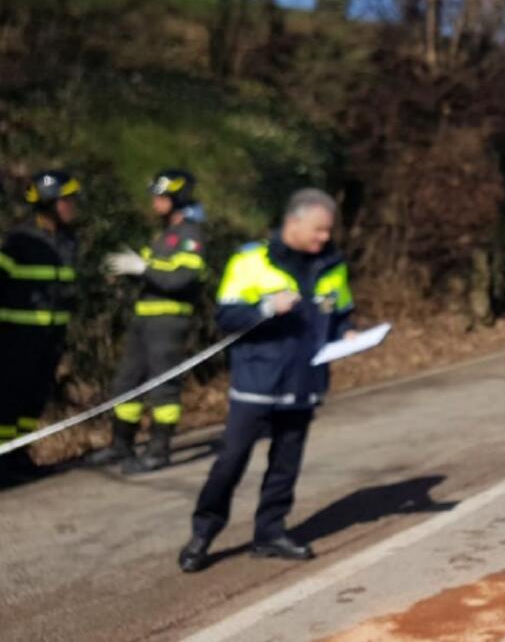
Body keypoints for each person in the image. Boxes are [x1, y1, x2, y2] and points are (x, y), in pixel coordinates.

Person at [179, 188, 355, 573]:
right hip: (258, 378)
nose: (324, 238)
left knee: (286, 463)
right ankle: (203, 533)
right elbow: (225, 317)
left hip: (305, 378)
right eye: (318, 230)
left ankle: (270, 532)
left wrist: (348, 334)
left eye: (328, 231)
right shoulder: (250, 260)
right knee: (231, 460)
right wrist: (266, 307)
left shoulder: (333, 264)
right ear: (293, 223)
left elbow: (340, 313)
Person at [90, 170, 207, 473]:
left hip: (168, 322)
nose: (154, 202)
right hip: (144, 320)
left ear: (177, 198)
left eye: (161, 196)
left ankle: (159, 449)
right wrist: (124, 273)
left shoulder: (189, 235)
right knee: (126, 382)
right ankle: (121, 444)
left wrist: (143, 267)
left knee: (163, 387)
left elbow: (181, 278)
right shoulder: (163, 233)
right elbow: (154, 272)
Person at [0, 171, 81, 470]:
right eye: (66, 200)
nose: (72, 205)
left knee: (35, 396)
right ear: (48, 202)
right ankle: (4, 458)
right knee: (9, 397)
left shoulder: (68, 240)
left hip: (51, 336)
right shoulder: (21, 240)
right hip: (17, 335)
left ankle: (20, 452)